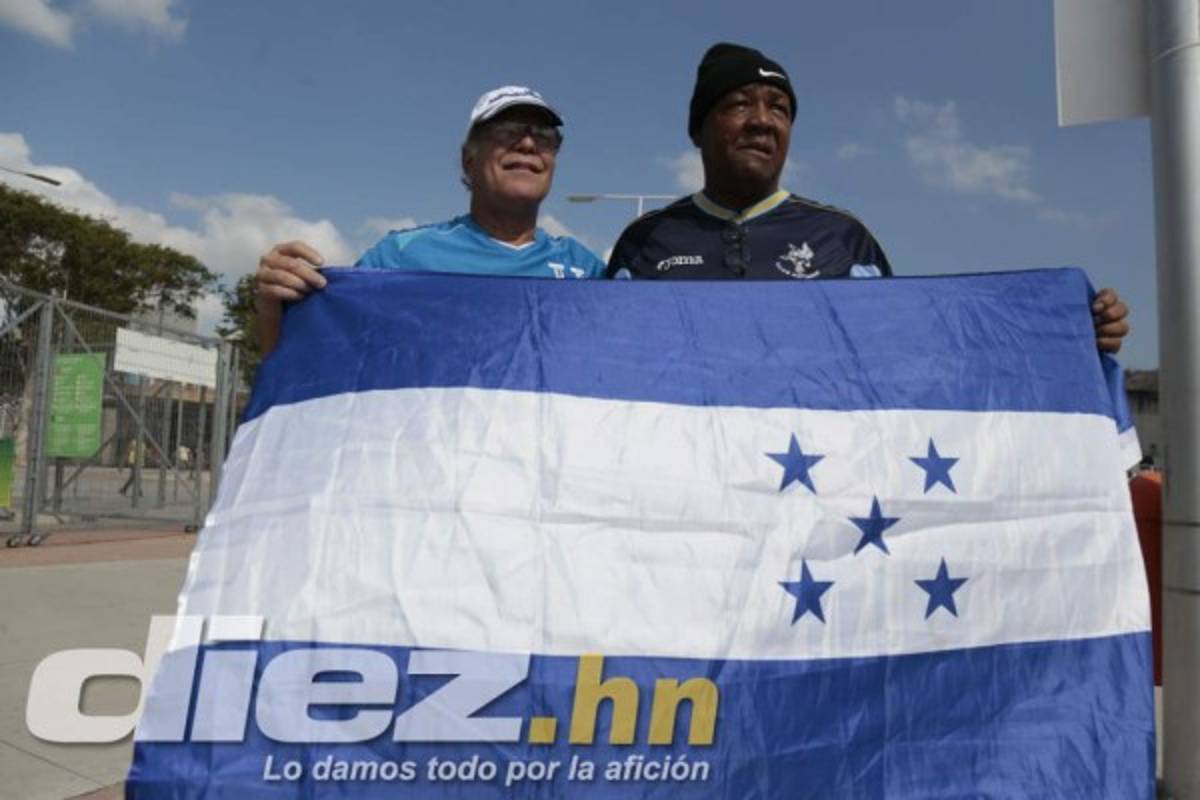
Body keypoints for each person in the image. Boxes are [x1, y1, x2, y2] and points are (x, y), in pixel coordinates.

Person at [607, 42, 1130, 352]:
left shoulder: (843, 239)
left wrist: (1063, 330)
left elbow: (917, 345)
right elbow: (599, 360)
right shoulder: (644, 242)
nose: (763, 121)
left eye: (780, 108)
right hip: (684, 482)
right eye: (740, 104)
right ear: (698, 129)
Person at [254, 85, 606, 355]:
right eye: (507, 131)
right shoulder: (400, 257)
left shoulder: (587, 270)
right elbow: (308, 369)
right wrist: (272, 308)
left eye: (545, 137)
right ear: (469, 160)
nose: (528, 144)